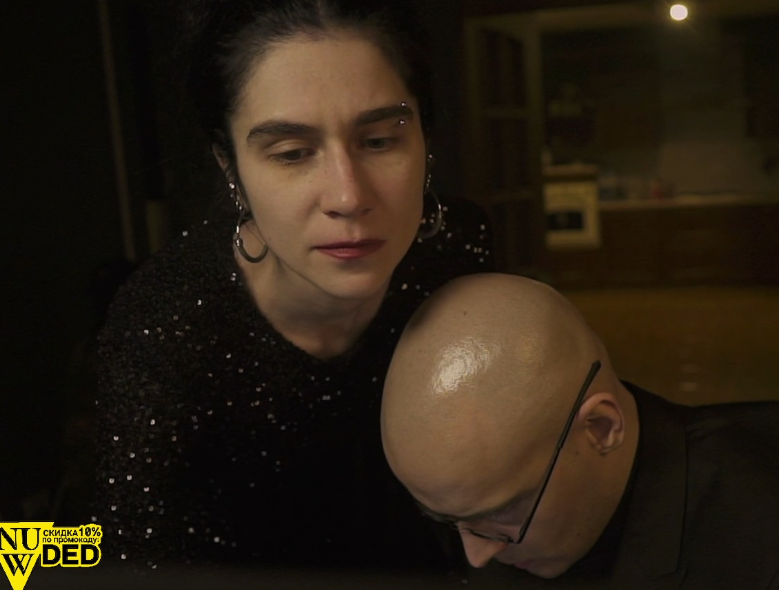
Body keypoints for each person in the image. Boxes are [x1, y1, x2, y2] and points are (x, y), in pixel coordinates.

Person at [93, 0, 493, 573]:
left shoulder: (456, 249)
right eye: (293, 154)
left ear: (425, 139)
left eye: (380, 140)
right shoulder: (166, 324)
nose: (348, 196)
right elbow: (130, 562)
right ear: (230, 167)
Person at [382, 273, 779, 589]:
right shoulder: (473, 499)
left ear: (601, 427)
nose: (476, 557)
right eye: (445, 519)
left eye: (502, 513)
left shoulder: (754, 550)